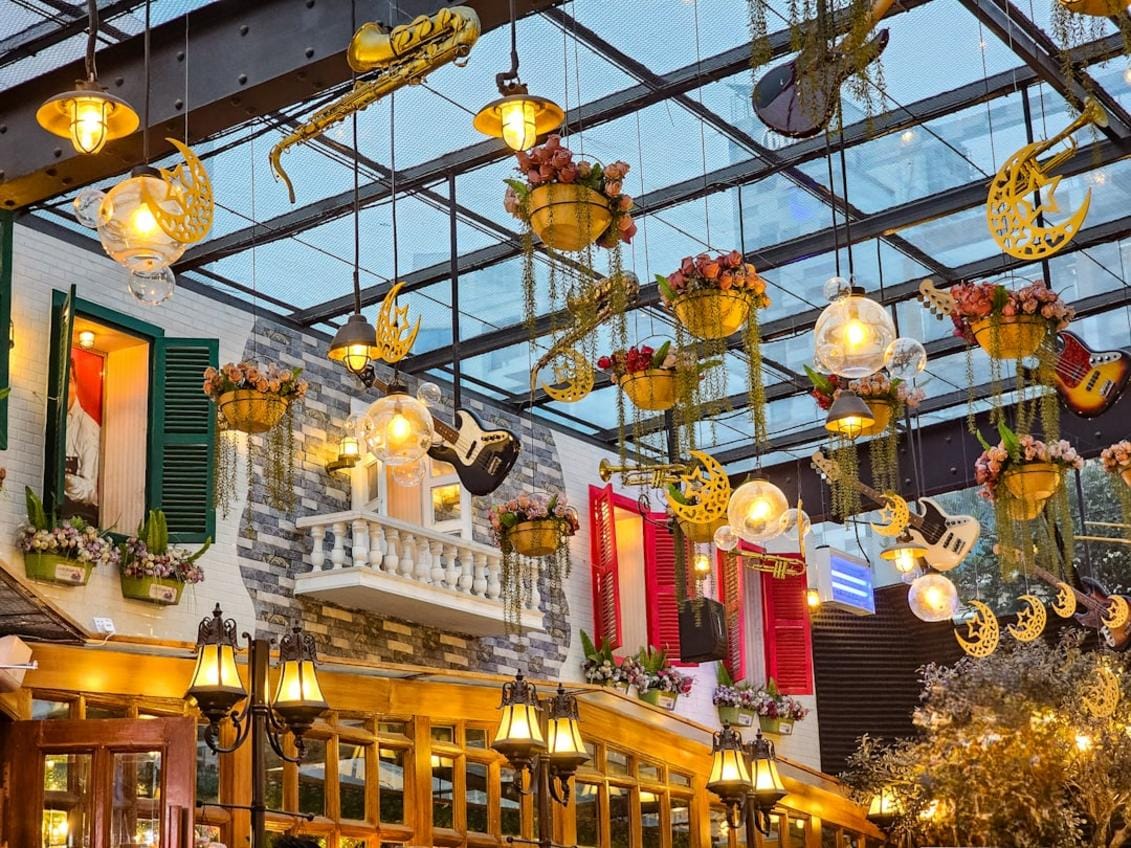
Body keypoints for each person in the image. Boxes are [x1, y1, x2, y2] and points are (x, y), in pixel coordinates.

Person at [64, 357, 100, 525]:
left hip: (77, 520)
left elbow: (90, 491)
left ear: (76, 385)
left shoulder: (89, 429)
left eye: (69, 381)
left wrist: (65, 481)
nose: (64, 389)